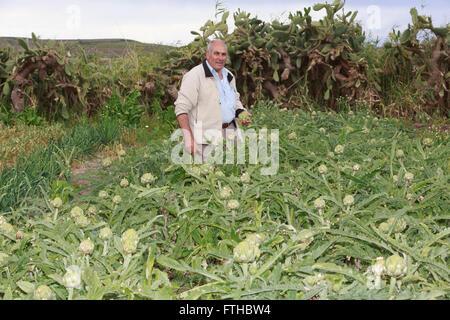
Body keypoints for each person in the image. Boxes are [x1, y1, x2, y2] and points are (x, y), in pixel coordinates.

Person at [174, 39, 252, 163]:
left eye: (223, 54)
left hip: (231, 133)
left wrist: (241, 111)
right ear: (207, 54)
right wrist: (188, 138)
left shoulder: (229, 76)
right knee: (209, 177)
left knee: (234, 174)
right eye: (216, 53)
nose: (220, 58)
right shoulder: (194, 76)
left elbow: (234, 99)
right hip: (206, 138)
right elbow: (181, 109)